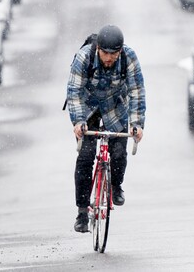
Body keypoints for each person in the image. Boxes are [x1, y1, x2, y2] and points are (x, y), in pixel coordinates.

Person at [66, 25, 146, 233]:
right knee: (85, 156)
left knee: (118, 152)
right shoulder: (84, 58)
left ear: (120, 51)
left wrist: (137, 124)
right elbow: (74, 92)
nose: (109, 58)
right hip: (88, 108)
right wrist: (78, 121)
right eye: (105, 53)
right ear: (98, 48)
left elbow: (137, 92)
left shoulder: (129, 58)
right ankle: (82, 212)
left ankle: (115, 185)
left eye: (114, 54)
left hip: (115, 108)